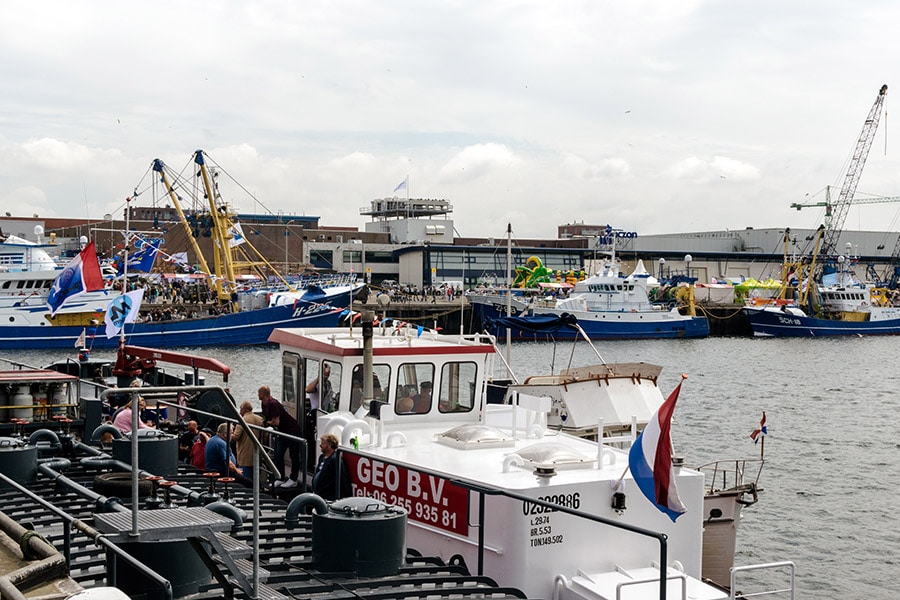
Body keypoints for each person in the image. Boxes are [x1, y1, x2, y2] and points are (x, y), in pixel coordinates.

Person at [259, 385, 302, 489]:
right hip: (282, 432)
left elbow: (276, 422)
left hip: (292, 430)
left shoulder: (273, 404)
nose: (257, 395)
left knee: (293, 455)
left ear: (263, 394)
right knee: (278, 454)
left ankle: (294, 479)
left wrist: (267, 423)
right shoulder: (264, 404)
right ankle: (281, 477)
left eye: (259, 393)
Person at [205, 423, 252, 487]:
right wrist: (237, 471)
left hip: (215, 469)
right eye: (231, 433)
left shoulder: (213, 439)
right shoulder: (221, 444)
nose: (233, 435)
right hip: (222, 472)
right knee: (250, 483)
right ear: (225, 434)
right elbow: (228, 464)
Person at [312, 434, 351, 501]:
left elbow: (343, 479)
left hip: (328, 497)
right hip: (319, 495)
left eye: (323, 444)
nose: (320, 445)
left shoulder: (335, 460)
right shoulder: (322, 457)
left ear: (329, 445)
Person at [232, 401, 264, 480]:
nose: (240, 411)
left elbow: (236, 437)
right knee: (255, 477)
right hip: (256, 454)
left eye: (240, 409)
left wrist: (230, 433)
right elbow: (264, 436)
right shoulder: (260, 419)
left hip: (244, 456)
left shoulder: (242, 420)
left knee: (246, 479)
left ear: (244, 410)